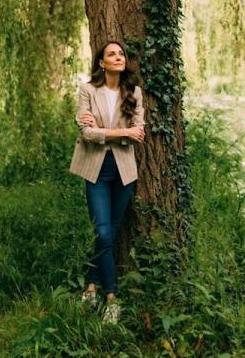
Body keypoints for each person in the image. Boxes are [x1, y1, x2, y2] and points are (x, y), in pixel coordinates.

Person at [69, 41, 145, 324]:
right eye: (111, 54)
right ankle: (112, 297)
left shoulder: (134, 92)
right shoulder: (88, 90)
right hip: (96, 169)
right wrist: (121, 132)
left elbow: (139, 132)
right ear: (101, 62)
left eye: (121, 53)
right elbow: (87, 134)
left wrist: (105, 131)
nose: (118, 57)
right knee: (102, 231)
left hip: (124, 171)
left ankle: (91, 287)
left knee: (109, 233)